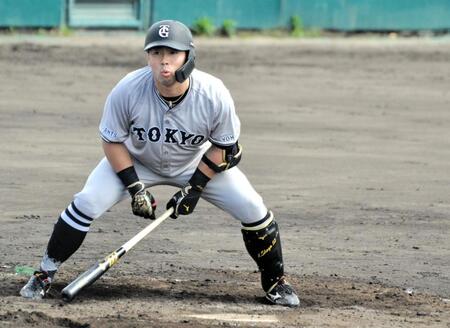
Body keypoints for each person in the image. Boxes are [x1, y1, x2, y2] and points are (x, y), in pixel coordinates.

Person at [20, 20, 299, 307]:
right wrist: (134, 187)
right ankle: (44, 273)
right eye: (156, 53)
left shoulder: (213, 93)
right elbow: (112, 141)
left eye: (172, 53)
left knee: (253, 208)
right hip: (136, 160)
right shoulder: (128, 88)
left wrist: (195, 188)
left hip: (196, 162)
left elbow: (224, 146)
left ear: (188, 56)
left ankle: (276, 282)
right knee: (86, 201)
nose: (163, 60)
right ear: (147, 56)